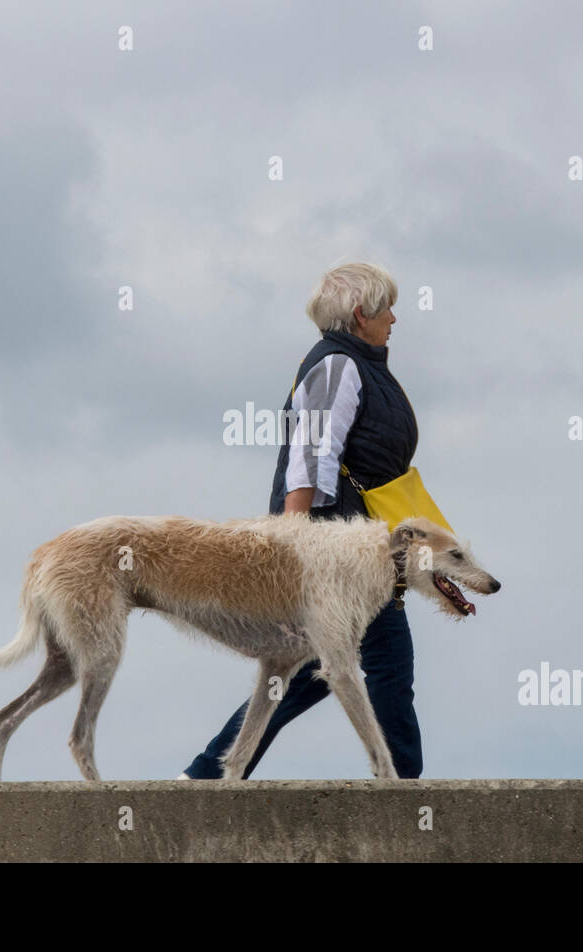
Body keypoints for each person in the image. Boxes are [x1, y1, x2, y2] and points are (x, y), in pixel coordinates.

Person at [180, 261, 423, 779]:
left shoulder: (363, 366)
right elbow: (309, 457)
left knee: (309, 672)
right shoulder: (338, 367)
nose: (396, 319)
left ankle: (201, 779)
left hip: (350, 551)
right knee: (387, 659)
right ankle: (404, 787)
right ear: (361, 314)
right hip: (330, 557)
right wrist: (293, 544)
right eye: (387, 310)